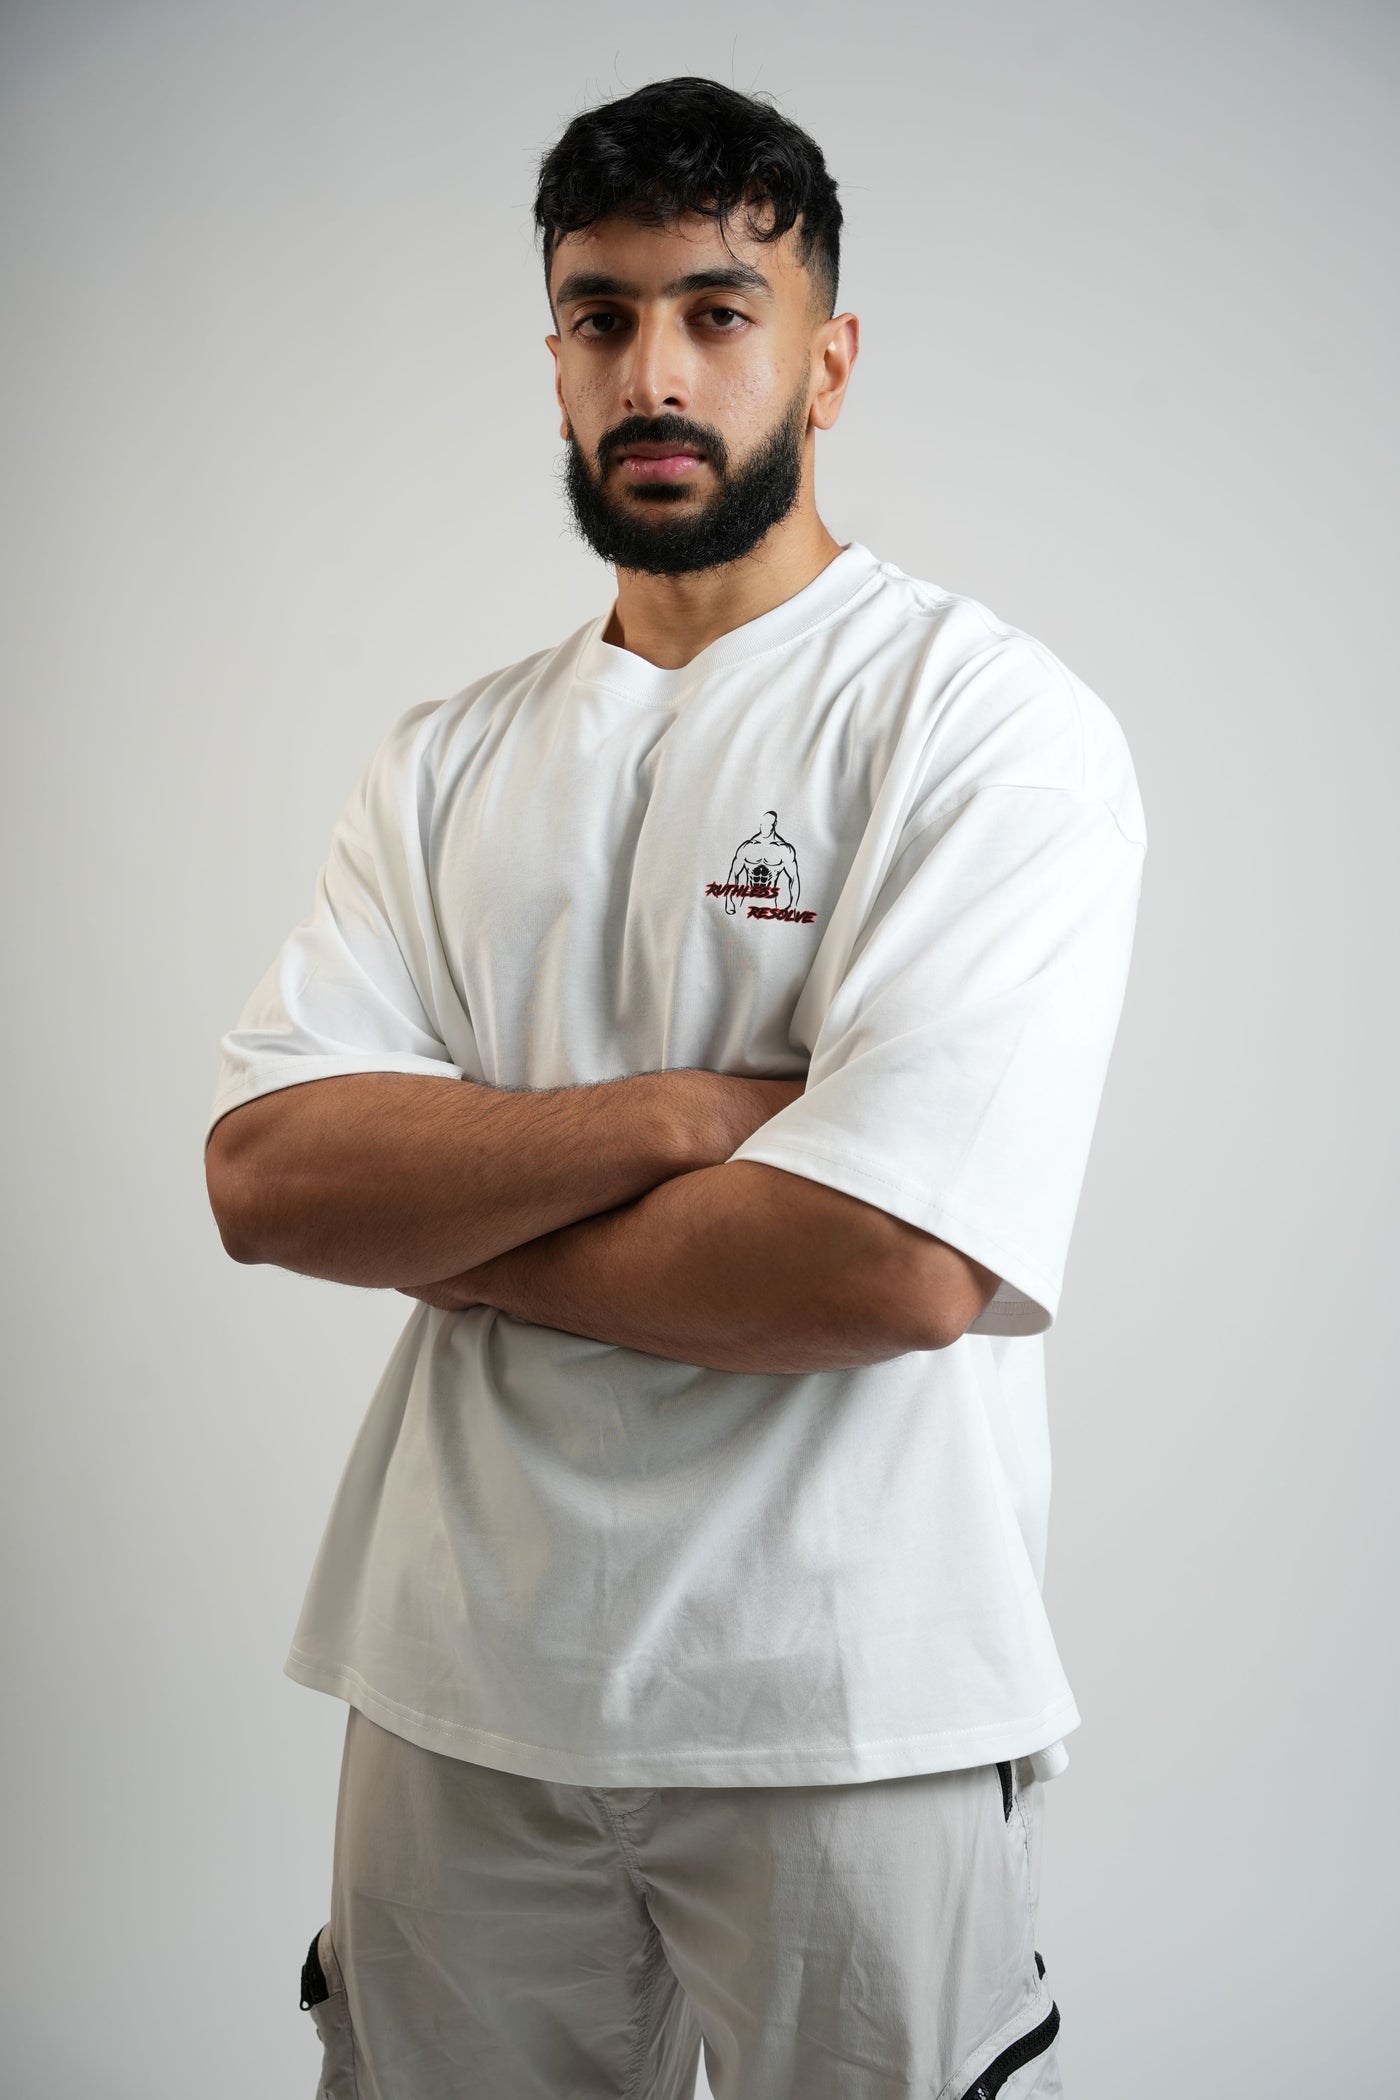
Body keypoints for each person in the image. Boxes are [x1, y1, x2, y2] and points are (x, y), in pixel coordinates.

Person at [204, 73, 1146, 2100]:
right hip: (458, 1685)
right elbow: (272, 1178)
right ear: (553, 355)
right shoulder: (443, 761)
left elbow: (892, 1265)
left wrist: (453, 1229)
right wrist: (668, 1121)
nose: (654, 371)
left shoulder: (982, 726)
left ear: (829, 355)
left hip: (854, 1691)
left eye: (719, 312)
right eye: (601, 315)